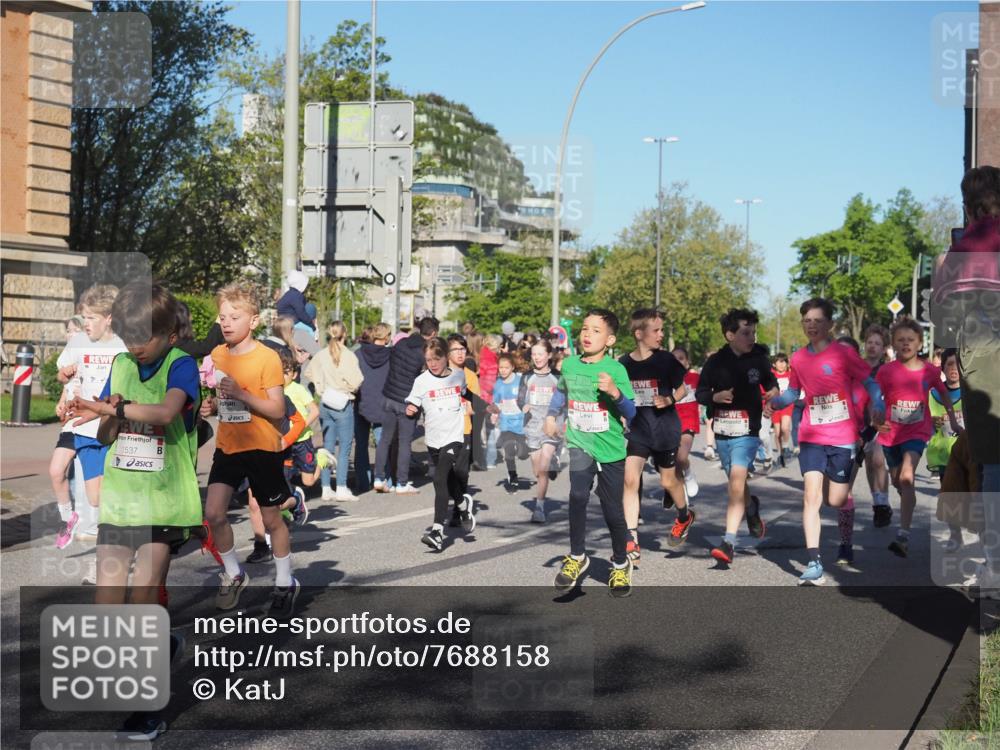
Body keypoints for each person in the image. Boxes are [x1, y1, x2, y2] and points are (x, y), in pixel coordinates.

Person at [66, 282, 201, 741]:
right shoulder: (122, 363)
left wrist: (114, 406)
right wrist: (92, 416)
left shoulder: (182, 366)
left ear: (168, 331)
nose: (134, 347)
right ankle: (163, 646)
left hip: (163, 500)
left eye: (142, 337)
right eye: (125, 337)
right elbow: (108, 432)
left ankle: (147, 710)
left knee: (143, 603)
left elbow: (165, 413)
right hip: (121, 499)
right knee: (106, 613)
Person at [764, 299, 884, 584]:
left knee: (836, 499)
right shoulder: (799, 359)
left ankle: (840, 533)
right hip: (812, 436)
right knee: (811, 496)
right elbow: (794, 392)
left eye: (818, 320)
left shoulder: (843, 354)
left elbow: (870, 380)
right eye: (807, 320)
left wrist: (877, 402)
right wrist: (775, 402)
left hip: (842, 438)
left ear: (830, 324)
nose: (812, 325)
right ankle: (814, 561)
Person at [200, 283, 300, 617]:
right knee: (214, 513)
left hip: (262, 447)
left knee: (271, 520)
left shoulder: (267, 358)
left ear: (253, 320)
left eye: (234, 316)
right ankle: (233, 572)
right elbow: (224, 401)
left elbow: (276, 410)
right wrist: (212, 406)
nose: (226, 322)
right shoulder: (217, 355)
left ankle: (285, 581)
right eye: (222, 317)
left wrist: (241, 395)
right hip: (229, 446)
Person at [932, 165, 1000, 596]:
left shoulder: (956, 255)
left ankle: (994, 565)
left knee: (993, 465)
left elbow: (943, 328)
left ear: (968, 204)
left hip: (982, 361)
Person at [545, 309, 637, 597]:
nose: (587, 334)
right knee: (578, 495)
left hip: (609, 448)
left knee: (612, 510)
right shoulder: (571, 365)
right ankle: (576, 556)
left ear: (609, 340)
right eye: (585, 328)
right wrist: (551, 415)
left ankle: (621, 563)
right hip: (579, 442)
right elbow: (561, 391)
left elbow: (631, 411)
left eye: (595, 331)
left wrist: (615, 393)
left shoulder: (617, 370)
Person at [697, 309, 776, 569]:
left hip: (748, 431)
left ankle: (728, 542)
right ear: (730, 335)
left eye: (754, 332)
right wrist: (714, 398)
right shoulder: (715, 362)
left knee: (736, 483)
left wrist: (771, 394)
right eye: (745, 333)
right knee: (737, 484)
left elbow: (771, 383)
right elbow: (700, 393)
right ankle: (751, 507)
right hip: (722, 433)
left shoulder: (759, 359)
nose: (751, 337)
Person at [876, 317, 961, 558]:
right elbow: (875, 395)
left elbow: (944, 394)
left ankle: (903, 535)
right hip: (890, 433)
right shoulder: (886, 371)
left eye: (910, 340)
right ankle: (907, 501)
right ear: (893, 343)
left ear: (920, 343)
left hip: (916, 431)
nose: (905, 344)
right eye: (900, 340)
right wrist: (874, 414)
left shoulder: (929, 370)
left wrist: (953, 420)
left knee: (906, 476)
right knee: (898, 482)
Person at [63, 284, 128, 583]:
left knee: (111, 497)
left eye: (91, 317)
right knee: (96, 498)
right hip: (85, 430)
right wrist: (65, 381)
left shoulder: (122, 348)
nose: (85, 323)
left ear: (109, 318)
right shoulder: (78, 341)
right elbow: (63, 373)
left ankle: (109, 560)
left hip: (113, 430)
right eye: (84, 317)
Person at [619, 309, 694, 564]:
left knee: (668, 483)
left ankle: (684, 515)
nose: (661, 335)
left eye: (662, 330)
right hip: (638, 430)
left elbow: (683, 388)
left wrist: (670, 398)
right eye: (657, 330)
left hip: (664, 430)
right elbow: (621, 396)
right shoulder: (624, 364)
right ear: (639, 334)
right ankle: (631, 538)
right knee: (630, 479)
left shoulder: (666, 361)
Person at [407, 337, 475, 551]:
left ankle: (437, 532)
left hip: (454, 436)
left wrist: (474, 407)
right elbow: (413, 404)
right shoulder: (421, 381)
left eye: (437, 359)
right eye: (428, 360)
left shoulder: (458, 376)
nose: (433, 364)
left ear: (446, 357)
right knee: (450, 479)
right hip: (433, 440)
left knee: (439, 478)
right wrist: (410, 411)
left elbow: (466, 395)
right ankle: (463, 504)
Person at [375, 317, 440, 494]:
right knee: (404, 442)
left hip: (388, 396)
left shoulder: (400, 343)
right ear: (433, 333)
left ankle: (379, 478)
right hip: (407, 402)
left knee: (385, 439)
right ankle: (402, 483)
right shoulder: (424, 352)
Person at [305, 320, 363, 501]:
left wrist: (322, 386)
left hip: (325, 402)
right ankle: (341, 487)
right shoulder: (349, 356)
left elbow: (309, 374)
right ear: (344, 334)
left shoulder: (321, 355)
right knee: (344, 448)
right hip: (342, 404)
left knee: (326, 447)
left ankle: (325, 487)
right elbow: (357, 381)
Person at [51, 314, 87, 549]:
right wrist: (62, 402)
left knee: (93, 490)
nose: (71, 335)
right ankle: (68, 519)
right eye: (69, 331)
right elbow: (66, 384)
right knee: (56, 471)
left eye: (76, 330)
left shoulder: (95, 352)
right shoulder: (67, 356)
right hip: (71, 423)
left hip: (93, 422)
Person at [519, 340, 562, 523]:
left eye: (540, 354)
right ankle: (552, 461)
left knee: (543, 470)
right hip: (532, 427)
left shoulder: (558, 377)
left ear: (549, 355)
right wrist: (523, 405)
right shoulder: (527, 377)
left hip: (551, 428)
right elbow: (519, 398)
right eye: (534, 354)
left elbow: (564, 399)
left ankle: (539, 508)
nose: (537, 358)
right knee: (538, 471)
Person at [928, 348, 964, 551]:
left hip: (967, 453)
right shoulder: (934, 394)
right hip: (943, 454)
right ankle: (955, 534)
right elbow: (921, 419)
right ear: (942, 368)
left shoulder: (971, 392)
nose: (954, 368)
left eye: (957, 364)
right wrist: (931, 421)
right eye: (949, 364)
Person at [446, 333, 482, 525]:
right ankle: (457, 504)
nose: (460, 354)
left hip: (464, 429)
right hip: (444, 430)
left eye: (463, 349)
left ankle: (457, 511)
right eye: (455, 349)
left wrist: (470, 406)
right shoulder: (441, 374)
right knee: (445, 473)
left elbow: (475, 404)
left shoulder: (470, 376)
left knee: (461, 471)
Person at [355, 323, 392, 493]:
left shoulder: (358, 353)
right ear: (387, 337)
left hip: (362, 401)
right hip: (383, 403)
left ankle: (363, 482)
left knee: (361, 445)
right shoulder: (392, 355)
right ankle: (384, 479)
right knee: (382, 443)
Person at [862, 324, 892, 527]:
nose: (873, 347)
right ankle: (877, 501)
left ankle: (882, 503)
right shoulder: (856, 367)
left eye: (877, 344)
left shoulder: (887, 370)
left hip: (882, 422)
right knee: (869, 462)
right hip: (861, 421)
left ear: (883, 349)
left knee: (879, 460)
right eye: (870, 342)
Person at [490, 352, 528, 492]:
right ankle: (513, 477)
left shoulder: (520, 380)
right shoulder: (498, 384)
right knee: (509, 452)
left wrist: (528, 405)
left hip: (520, 422)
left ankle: (524, 452)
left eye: (506, 367)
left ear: (512, 367)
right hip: (506, 422)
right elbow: (496, 402)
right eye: (501, 368)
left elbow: (528, 394)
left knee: (523, 455)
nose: (503, 370)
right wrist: (494, 413)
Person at [478, 334, 501, 468]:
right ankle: (490, 459)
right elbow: (490, 384)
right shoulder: (492, 360)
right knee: (491, 428)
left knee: (478, 429)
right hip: (488, 398)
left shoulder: (481, 357)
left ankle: (478, 457)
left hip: (478, 396)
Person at [770, 353, 795, 466]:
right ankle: (781, 454)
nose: (781, 364)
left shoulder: (791, 374)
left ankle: (785, 447)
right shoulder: (771, 375)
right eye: (779, 362)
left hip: (787, 405)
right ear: (774, 364)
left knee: (785, 428)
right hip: (775, 406)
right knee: (777, 432)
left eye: (784, 361)